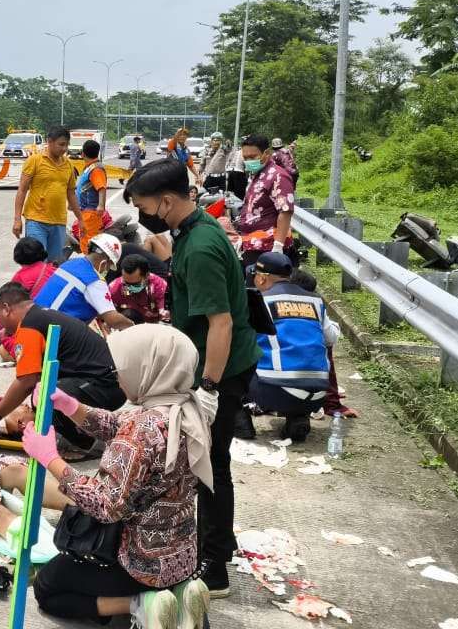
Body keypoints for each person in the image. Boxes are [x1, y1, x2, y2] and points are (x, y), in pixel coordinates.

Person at [124, 157, 261, 598]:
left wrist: (209, 390)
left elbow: (220, 324)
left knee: (209, 466)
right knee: (206, 464)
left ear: (166, 201)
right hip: (215, 361)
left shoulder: (200, 247)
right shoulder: (195, 231)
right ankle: (210, 549)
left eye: (146, 205)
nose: (145, 214)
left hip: (220, 369)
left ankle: (215, 566)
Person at [23, 324, 211, 627]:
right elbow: (117, 426)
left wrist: (51, 459)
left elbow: (105, 505)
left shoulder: (141, 432)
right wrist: (71, 406)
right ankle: (181, 591)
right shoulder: (187, 410)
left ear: (147, 368)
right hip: (181, 557)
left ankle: (141, 604)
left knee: (47, 585)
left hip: (139, 562)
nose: (118, 378)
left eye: (123, 368)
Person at [0, 283, 125, 454]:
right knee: (43, 391)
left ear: (6, 308)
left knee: (45, 396)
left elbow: (27, 382)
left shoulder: (29, 326)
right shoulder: (41, 316)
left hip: (103, 386)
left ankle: (87, 444)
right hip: (107, 384)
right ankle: (92, 431)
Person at [243, 254, 340, 442]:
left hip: (273, 391)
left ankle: (240, 422)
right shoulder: (315, 301)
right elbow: (331, 337)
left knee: (233, 357)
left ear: (261, 278)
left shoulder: (260, 299)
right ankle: (298, 416)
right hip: (318, 393)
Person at [289, 269, 357, 418]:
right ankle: (331, 402)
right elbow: (331, 338)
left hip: (266, 383)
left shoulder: (266, 299)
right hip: (306, 379)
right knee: (326, 344)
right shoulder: (315, 305)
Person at [33, 234, 134, 333]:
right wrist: (134, 326)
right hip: (52, 334)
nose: (107, 269)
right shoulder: (95, 280)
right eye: (109, 265)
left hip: (33, 319)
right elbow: (113, 320)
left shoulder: (70, 263)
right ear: (105, 261)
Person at [12, 126, 84, 262]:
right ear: (49, 141)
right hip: (36, 220)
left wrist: (80, 219)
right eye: (61, 144)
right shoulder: (34, 161)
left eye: (66, 145)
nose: (64, 149)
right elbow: (22, 190)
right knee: (37, 262)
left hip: (59, 223)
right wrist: (17, 219)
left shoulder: (68, 165)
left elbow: (71, 194)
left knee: (54, 265)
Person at [0, 237, 54, 360]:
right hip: (49, 315)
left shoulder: (21, 275)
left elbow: (7, 301)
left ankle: (2, 346)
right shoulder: (52, 269)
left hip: (29, 320)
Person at [238, 134, 296, 268]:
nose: (248, 161)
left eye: (252, 157)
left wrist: (278, 246)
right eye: (245, 158)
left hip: (268, 247)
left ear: (266, 153)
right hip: (252, 243)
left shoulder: (278, 176)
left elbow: (285, 211)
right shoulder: (258, 174)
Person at [108, 254, 169, 324]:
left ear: (146, 276)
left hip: (156, 325)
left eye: (134, 284)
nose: (128, 287)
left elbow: (166, 316)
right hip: (129, 324)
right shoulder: (115, 288)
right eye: (125, 282)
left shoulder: (160, 287)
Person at [75, 139, 112, 252]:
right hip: (85, 212)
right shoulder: (90, 168)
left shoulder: (96, 169)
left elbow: (101, 187)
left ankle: (91, 266)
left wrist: (101, 205)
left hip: (91, 213)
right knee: (85, 240)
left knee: (89, 242)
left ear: (83, 153)